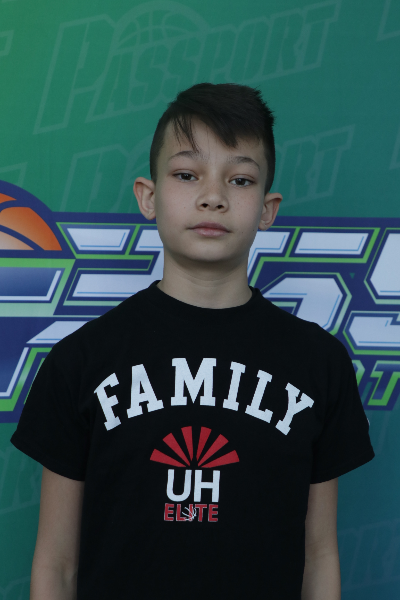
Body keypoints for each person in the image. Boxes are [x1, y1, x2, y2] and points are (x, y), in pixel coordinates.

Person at [11, 82, 374, 600]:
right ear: (148, 196)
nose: (213, 196)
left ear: (267, 209)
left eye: (240, 179)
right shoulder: (82, 360)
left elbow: (318, 556)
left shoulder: (319, 362)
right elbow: (57, 563)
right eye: (187, 174)